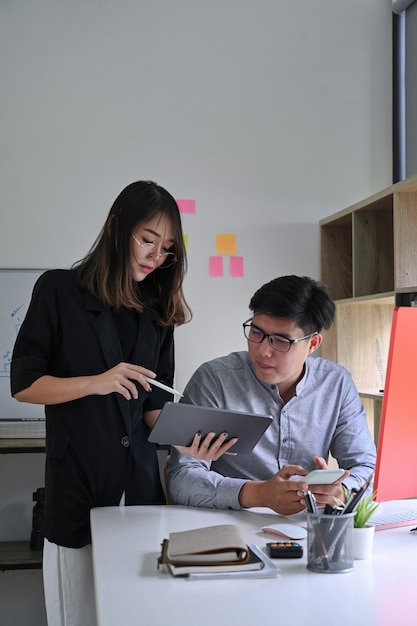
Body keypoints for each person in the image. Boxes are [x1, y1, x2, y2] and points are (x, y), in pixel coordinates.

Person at [10, 180, 199, 626]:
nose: (156, 256)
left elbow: (152, 408)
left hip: (139, 493)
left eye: (167, 248)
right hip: (77, 485)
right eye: (147, 240)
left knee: (136, 616)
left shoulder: (156, 312)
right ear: (115, 228)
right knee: (76, 615)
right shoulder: (58, 290)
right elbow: (24, 384)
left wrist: (188, 440)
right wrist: (97, 382)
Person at [167, 275, 377, 516]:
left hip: (306, 528)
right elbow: (181, 478)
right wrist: (259, 494)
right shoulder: (215, 380)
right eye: (256, 333)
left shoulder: (336, 384)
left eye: (280, 341)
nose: (263, 351)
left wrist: (341, 491)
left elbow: (364, 466)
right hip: (228, 527)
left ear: (313, 344)